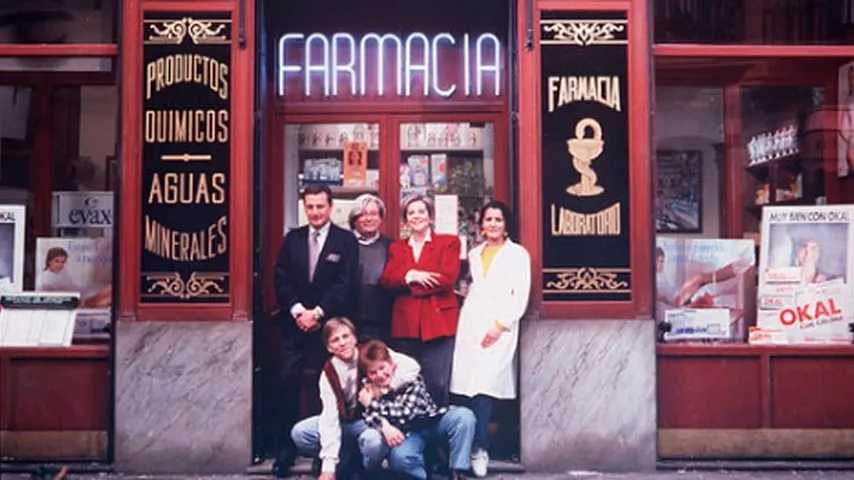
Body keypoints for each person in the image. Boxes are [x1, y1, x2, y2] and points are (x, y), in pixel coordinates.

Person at [273, 184, 359, 476]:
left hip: (329, 328)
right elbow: (281, 278)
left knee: (328, 390)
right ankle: (284, 452)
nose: (315, 212)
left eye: (320, 206)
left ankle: (324, 456)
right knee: (287, 384)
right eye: (309, 206)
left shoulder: (345, 241)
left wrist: (318, 313)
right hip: (295, 327)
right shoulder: (292, 239)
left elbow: (345, 284)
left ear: (330, 207)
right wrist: (298, 310)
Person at [449, 201, 530, 478]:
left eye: (498, 219)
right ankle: (463, 450)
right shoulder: (474, 253)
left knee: (485, 388)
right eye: (488, 219)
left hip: (499, 327)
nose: (493, 224)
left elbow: (519, 294)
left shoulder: (518, 254)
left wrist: (500, 325)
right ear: (481, 225)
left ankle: (480, 449)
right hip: (471, 323)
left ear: (506, 224)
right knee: (466, 389)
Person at [290, 317, 420, 480]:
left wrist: (386, 388)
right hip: (343, 421)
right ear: (329, 347)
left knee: (373, 441)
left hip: (368, 421)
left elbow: (412, 367)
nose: (342, 343)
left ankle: (369, 471)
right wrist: (328, 468)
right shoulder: (328, 373)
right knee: (301, 432)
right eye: (335, 340)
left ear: (354, 338)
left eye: (346, 336)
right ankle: (344, 457)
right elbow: (330, 417)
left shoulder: (369, 353)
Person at [379, 194, 461, 407]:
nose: (417, 216)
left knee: (438, 383)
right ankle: (413, 435)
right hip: (405, 326)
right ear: (405, 220)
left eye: (421, 211)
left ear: (430, 216)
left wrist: (406, 283)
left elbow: (446, 279)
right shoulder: (397, 247)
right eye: (411, 213)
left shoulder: (448, 242)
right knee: (406, 383)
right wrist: (411, 276)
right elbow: (387, 280)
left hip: (438, 325)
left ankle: (439, 434)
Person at [358, 339, 475, 480]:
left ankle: (458, 471)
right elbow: (368, 417)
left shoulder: (408, 376)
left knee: (464, 416)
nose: (380, 375)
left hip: (432, 421)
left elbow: (404, 412)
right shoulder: (369, 388)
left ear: (392, 364)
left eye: (382, 368)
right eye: (373, 372)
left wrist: (372, 403)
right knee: (400, 458)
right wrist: (384, 424)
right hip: (408, 432)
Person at [348, 194, 393, 342]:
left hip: (382, 323)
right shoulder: (342, 243)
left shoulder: (391, 246)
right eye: (362, 214)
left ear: (381, 217)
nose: (368, 219)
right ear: (354, 219)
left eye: (373, 214)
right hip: (348, 322)